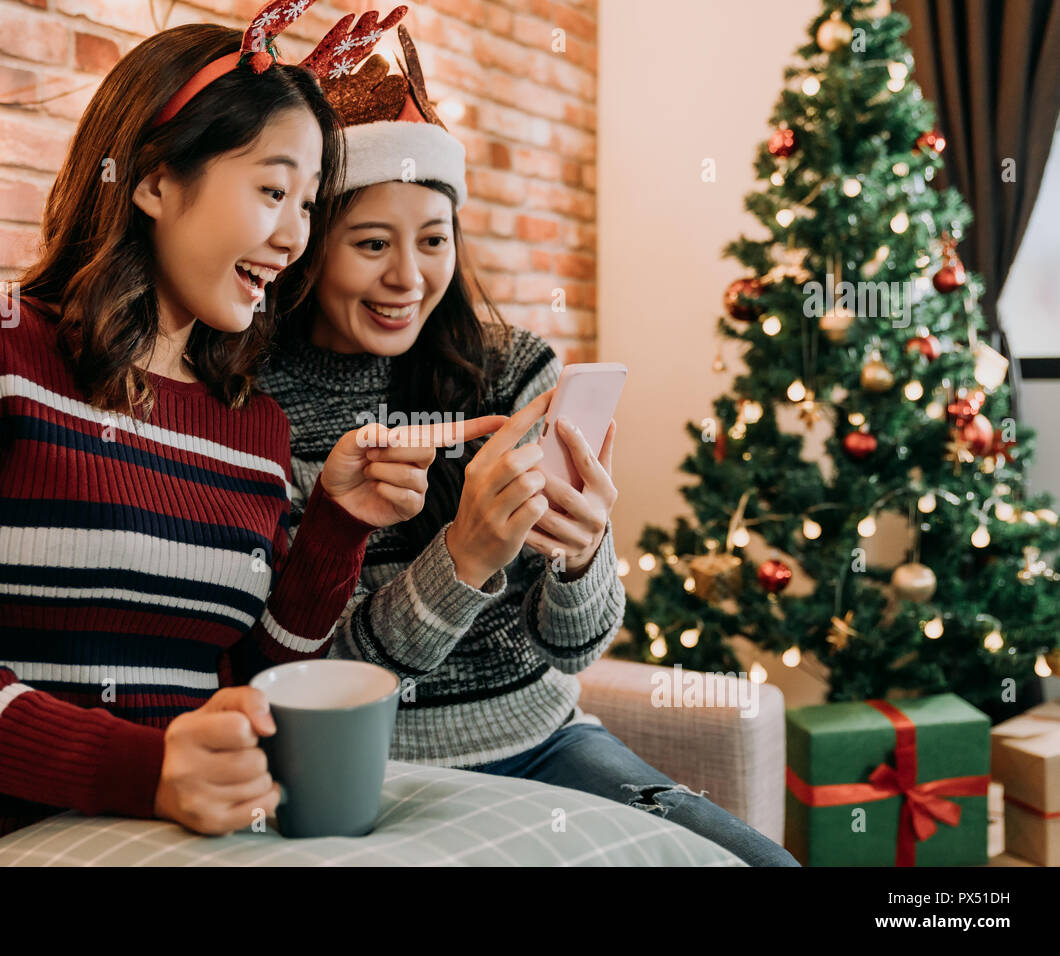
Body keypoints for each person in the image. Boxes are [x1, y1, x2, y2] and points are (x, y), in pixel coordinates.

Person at [0, 2, 502, 866]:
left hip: (198, 832)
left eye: (307, 204)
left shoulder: (252, 423)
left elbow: (252, 677)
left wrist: (338, 524)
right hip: (12, 836)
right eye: (272, 190)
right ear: (152, 181)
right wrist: (150, 771)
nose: (294, 238)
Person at [259, 25, 800, 867]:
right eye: (372, 243)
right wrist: (464, 557)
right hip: (378, 769)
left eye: (433, 239)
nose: (409, 278)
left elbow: (577, 647)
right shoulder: (262, 404)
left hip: (549, 744)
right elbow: (328, 676)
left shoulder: (513, 370)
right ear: (309, 250)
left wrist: (585, 558)